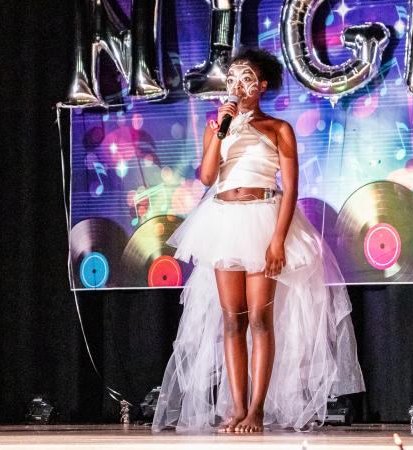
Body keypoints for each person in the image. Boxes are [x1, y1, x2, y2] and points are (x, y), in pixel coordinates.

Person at [152, 48, 365, 433]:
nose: (237, 85)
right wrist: (221, 129)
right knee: (232, 320)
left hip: (263, 217)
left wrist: (278, 241)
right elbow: (205, 176)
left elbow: (291, 189)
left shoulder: (279, 128)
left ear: (261, 85)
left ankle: (256, 410)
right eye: (232, 78)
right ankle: (236, 408)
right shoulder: (218, 123)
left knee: (260, 319)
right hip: (223, 220)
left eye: (246, 78)